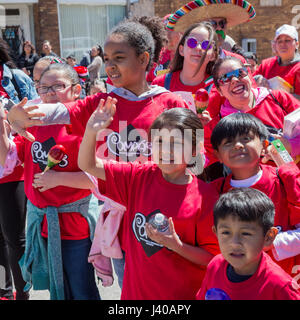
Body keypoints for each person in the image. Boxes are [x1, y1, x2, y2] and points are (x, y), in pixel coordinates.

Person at [7, 20, 188, 291]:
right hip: (120, 221)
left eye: (119, 58)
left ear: (143, 58)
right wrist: (15, 114)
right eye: (106, 59)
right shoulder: (101, 105)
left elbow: (195, 166)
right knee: (131, 288)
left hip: (165, 215)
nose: (110, 66)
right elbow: (53, 112)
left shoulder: (171, 103)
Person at [78, 105, 219, 300]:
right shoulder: (138, 176)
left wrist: (177, 246)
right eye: (159, 141)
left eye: (176, 143)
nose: (166, 150)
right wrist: (91, 131)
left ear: (194, 149)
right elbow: (88, 165)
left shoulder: (206, 197)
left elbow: (214, 258)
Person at [0, 63, 101, 300]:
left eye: (58, 86)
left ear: (76, 90)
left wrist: (57, 178)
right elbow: (10, 162)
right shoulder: (35, 121)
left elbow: (97, 178)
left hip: (76, 227)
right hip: (45, 225)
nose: (49, 93)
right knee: (60, 290)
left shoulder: (85, 123)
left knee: (81, 289)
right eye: (43, 88)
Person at [210, 113, 300, 277]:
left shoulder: (287, 178)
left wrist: (270, 243)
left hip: (290, 279)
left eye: (245, 138)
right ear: (218, 156)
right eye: (228, 142)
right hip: (240, 284)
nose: (237, 145)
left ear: (264, 146)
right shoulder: (213, 192)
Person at [203, 56, 300, 181]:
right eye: (225, 78)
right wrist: (194, 127)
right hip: (250, 194)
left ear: (249, 75)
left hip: (293, 186)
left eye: (239, 73)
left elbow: (282, 149)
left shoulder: (278, 99)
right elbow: (197, 164)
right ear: (219, 90)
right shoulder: (217, 127)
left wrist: (290, 146)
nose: (234, 80)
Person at [196, 187, 300, 300]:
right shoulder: (215, 265)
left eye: (245, 233)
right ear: (215, 233)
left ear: (269, 236)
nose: (234, 243)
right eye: (226, 232)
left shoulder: (281, 287)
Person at [166, 0, 257, 118]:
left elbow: (251, 94)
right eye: (213, 23)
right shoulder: (190, 65)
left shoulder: (237, 60)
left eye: (223, 23)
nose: (218, 28)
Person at [0, 38, 38, 300]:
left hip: (11, 167)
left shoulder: (14, 78)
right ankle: (4, 291)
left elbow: (38, 115)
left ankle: (22, 296)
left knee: (15, 237)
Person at [152, 21, 220, 127]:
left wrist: (210, 126)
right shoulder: (160, 84)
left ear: (213, 55)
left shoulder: (220, 89)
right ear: (181, 50)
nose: (198, 48)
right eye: (192, 42)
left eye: (206, 45)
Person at [254, 24, 300, 99]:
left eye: (287, 40)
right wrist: (257, 79)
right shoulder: (266, 64)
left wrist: (277, 94)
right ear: (275, 45)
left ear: (297, 44)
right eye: (279, 41)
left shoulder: (298, 68)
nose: (283, 44)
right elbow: (250, 81)